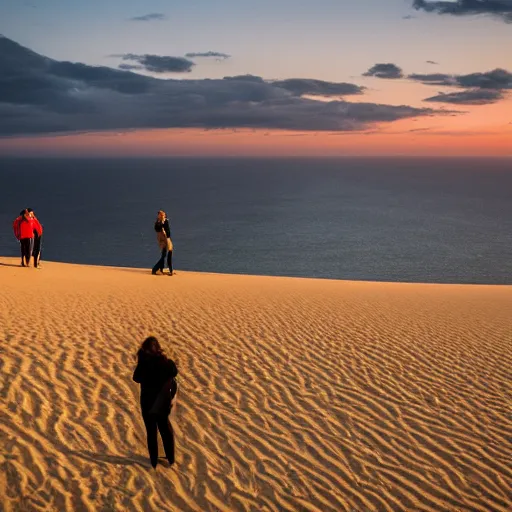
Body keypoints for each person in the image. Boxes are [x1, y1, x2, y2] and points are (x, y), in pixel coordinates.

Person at [133, 336, 178, 468]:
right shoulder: (166, 363)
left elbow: (136, 378)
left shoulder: (143, 365)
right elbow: (174, 371)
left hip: (148, 403)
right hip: (162, 403)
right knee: (165, 429)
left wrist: (142, 361)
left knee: (151, 432)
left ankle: (153, 461)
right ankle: (171, 459)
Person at [151, 210, 174, 276]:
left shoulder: (165, 221)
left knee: (169, 253)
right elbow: (157, 229)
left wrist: (163, 222)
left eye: (163, 214)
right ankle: (155, 269)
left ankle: (170, 270)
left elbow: (167, 230)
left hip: (167, 239)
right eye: (161, 215)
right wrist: (161, 223)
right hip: (162, 239)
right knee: (164, 255)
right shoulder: (158, 222)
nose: (162, 216)